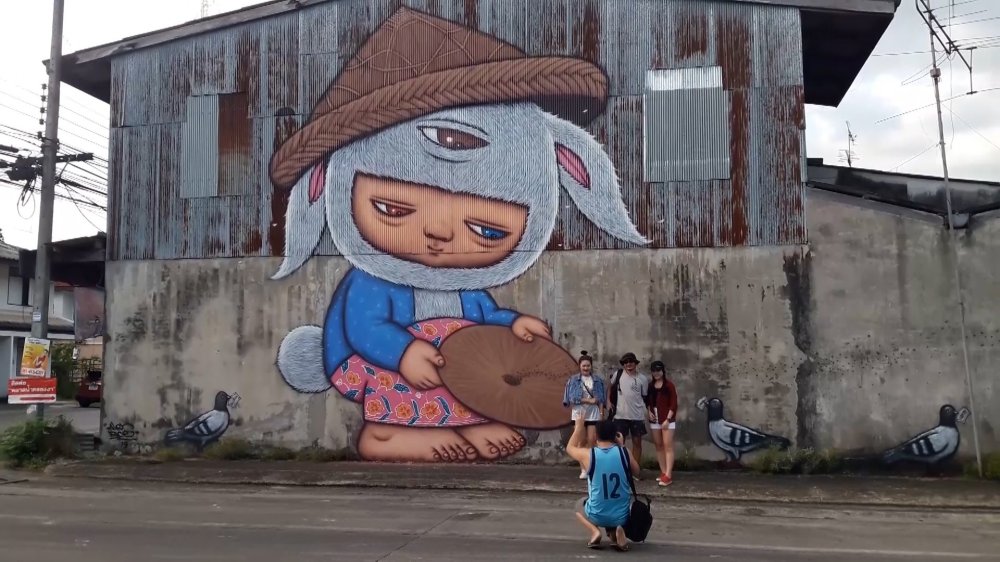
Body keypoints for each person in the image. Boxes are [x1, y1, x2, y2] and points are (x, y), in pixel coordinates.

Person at [566, 414, 640, 551]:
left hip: (597, 515)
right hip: (622, 516)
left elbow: (569, 448)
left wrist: (578, 428)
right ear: (615, 436)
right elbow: (637, 472)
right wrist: (622, 445)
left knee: (578, 506)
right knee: (618, 507)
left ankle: (595, 532)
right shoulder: (624, 452)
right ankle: (617, 531)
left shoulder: (589, 455)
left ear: (596, 436)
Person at [562, 351, 607, 479]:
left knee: (592, 440)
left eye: (588, 365)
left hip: (593, 414)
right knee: (580, 441)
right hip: (579, 414)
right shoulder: (573, 380)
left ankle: (591, 466)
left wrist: (601, 413)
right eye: (584, 365)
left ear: (591, 366)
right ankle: (583, 469)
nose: (586, 368)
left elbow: (601, 399)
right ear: (579, 366)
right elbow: (572, 398)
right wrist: (588, 400)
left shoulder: (597, 380)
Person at [607, 352, 649, 468]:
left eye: (631, 361)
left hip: (637, 416)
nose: (628, 364)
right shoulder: (618, 374)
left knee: (637, 444)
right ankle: (620, 469)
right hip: (620, 416)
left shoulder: (642, 379)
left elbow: (645, 396)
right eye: (625, 362)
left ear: (635, 363)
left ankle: (635, 469)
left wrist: (648, 411)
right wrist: (608, 401)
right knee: (619, 444)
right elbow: (609, 386)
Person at [645, 361, 678, 487]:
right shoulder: (650, 386)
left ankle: (668, 475)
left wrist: (668, 419)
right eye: (654, 371)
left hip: (667, 419)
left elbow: (673, 404)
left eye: (658, 370)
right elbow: (648, 401)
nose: (656, 373)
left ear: (663, 371)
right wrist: (649, 411)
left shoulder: (669, 385)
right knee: (658, 445)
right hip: (655, 419)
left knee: (667, 446)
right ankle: (663, 472)